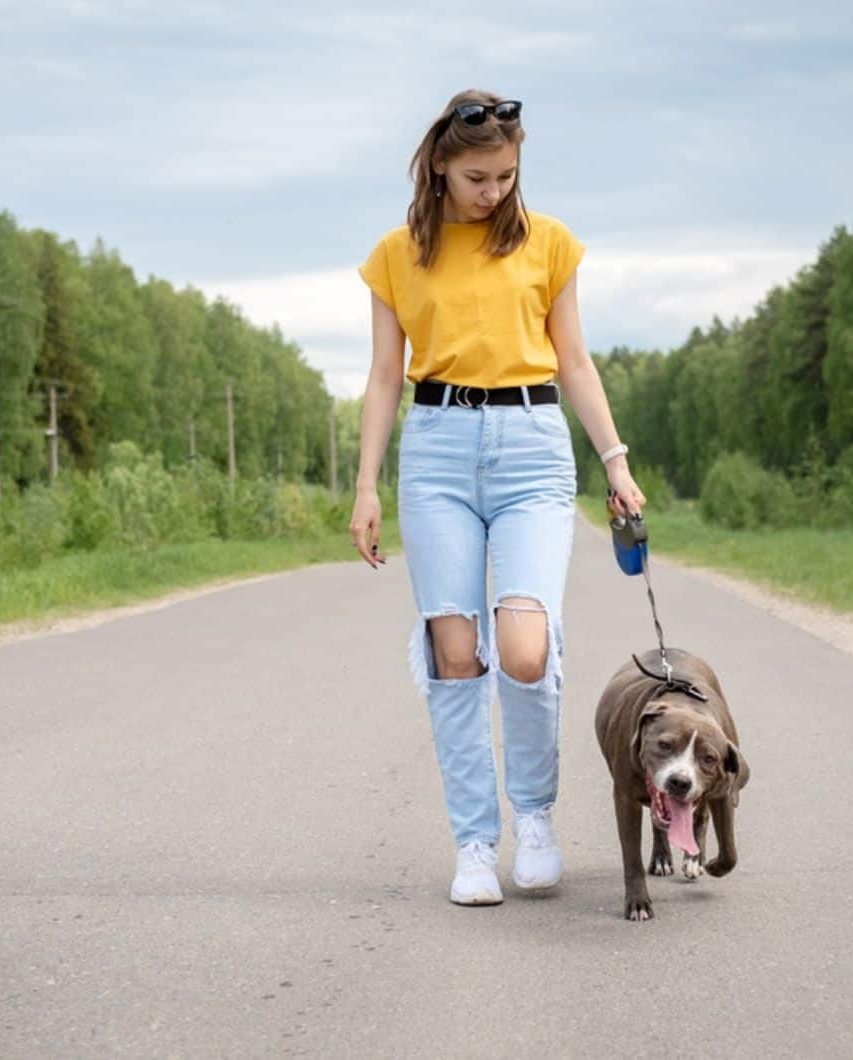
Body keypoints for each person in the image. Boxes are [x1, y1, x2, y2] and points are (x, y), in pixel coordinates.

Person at [349, 89, 646, 906]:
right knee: (454, 652)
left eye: (507, 175)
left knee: (523, 645)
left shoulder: (548, 245)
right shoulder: (396, 254)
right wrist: (366, 484)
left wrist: (615, 463)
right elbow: (383, 377)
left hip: (532, 448)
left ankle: (536, 819)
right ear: (440, 164)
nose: (494, 191)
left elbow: (575, 361)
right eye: (479, 176)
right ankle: (475, 844)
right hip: (437, 450)